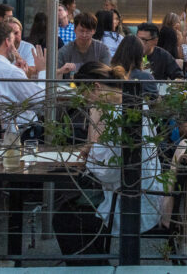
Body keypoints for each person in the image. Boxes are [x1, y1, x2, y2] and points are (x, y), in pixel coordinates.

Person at [56, 62, 162, 261]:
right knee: (68, 210)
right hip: (142, 191)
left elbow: (110, 171)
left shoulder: (117, 113)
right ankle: (96, 262)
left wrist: (92, 154)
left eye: (85, 96)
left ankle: (94, 266)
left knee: (65, 217)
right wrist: (95, 150)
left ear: (96, 87)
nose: (87, 102)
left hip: (130, 199)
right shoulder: (133, 103)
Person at [0, 21, 46, 135]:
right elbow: (41, 101)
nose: (14, 47)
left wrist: (19, 72)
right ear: (7, 42)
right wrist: (43, 71)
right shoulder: (10, 72)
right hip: (18, 136)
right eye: (12, 41)